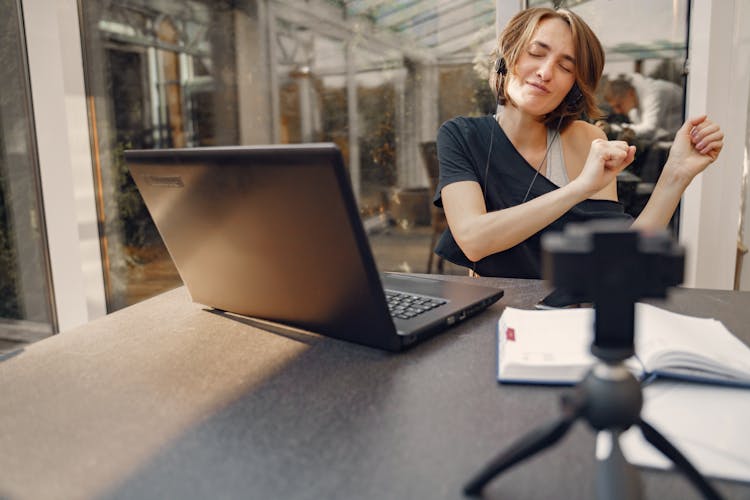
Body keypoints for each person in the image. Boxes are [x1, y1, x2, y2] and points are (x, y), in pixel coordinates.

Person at [433, 7, 723, 279]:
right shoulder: (460, 136)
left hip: (571, 313)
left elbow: (619, 257)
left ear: (574, 87)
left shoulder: (588, 140)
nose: (545, 72)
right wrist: (579, 189)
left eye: (565, 67)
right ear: (506, 58)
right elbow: (473, 240)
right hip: (496, 315)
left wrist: (675, 174)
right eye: (536, 52)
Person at [600, 73, 683, 141]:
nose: (617, 111)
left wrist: (612, 129)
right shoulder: (635, 101)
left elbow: (648, 130)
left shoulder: (654, 93)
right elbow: (639, 129)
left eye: (619, 105)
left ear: (630, 93)